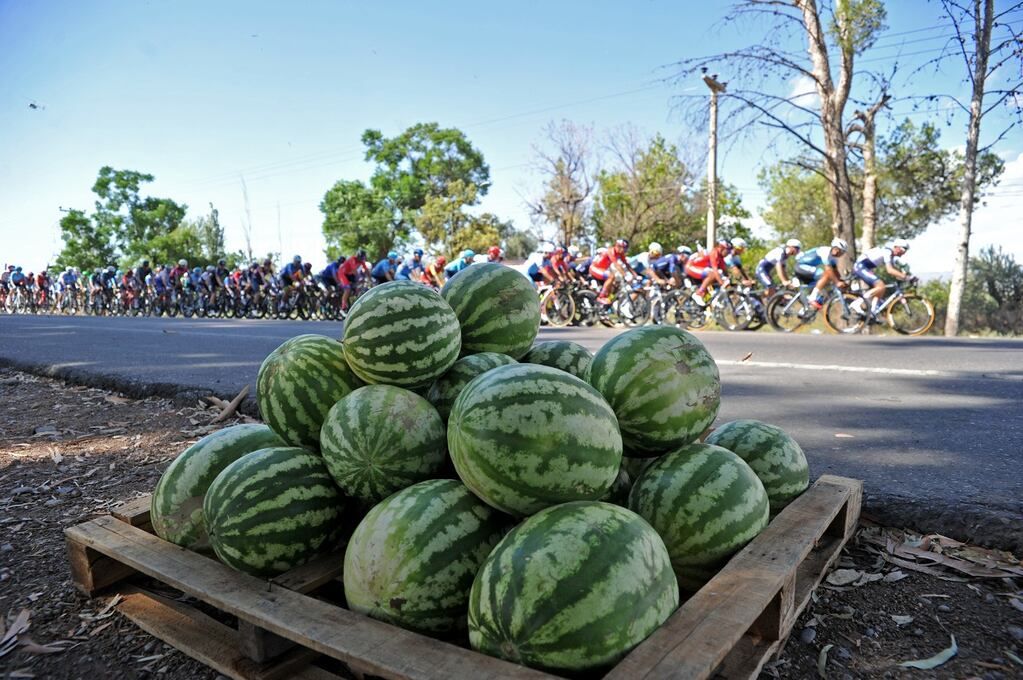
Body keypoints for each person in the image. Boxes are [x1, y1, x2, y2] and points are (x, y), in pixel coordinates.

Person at [852, 238, 913, 317]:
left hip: (865, 267)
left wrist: (904, 277)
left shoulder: (890, 255)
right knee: (880, 286)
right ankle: (856, 303)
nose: (903, 253)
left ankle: (873, 312)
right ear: (896, 247)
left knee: (881, 289)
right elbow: (890, 270)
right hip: (860, 266)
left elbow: (894, 272)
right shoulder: (887, 252)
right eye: (903, 250)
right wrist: (906, 277)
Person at [794, 238, 849, 310]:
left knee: (827, 283)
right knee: (826, 274)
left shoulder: (834, 258)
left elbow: (836, 272)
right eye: (842, 252)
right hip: (801, 266)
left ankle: (806, 309)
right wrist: (837, 282)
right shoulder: (825, 251)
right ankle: (812, 298)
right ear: (836, 249)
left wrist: (841, 281)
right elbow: (828, 270)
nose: (842, 254)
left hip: (809, 268)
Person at [685, 239, 732, 305]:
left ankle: (706, 304)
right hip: (691, 267)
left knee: (715, 283)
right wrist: (721, 282)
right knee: (712, 275)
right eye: (728, 251)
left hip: (702, 269)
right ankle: (698, 294)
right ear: (722, 248)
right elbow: (715, 270)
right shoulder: (714, 252)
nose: (728, 253)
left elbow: (724, 271)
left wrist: (728, 280)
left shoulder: (721, 257)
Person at [590, 239, 635, 304]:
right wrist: (625, 275)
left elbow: (627, 264)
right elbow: (616, 264)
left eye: (625, 249)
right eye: (624, 249)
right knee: (611, 276)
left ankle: (609, 298)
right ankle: (601, 297)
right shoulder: (610, 251)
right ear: (618, 246)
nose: (624, 251)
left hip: (603, 270)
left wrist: (635, 275)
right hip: (595, 268)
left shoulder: (620, 253)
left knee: (617, 282)